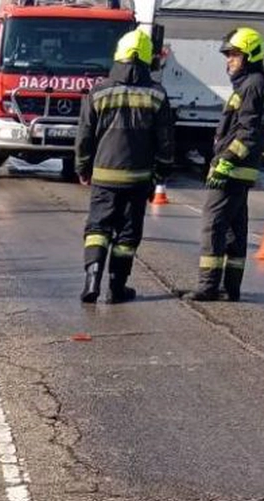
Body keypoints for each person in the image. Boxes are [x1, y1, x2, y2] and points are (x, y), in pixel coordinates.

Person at [74, 29, 173, 304]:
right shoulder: (157, 95)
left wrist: (82, 167)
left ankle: (91, 281)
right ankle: (117, 288)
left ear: (118, 55)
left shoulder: (98, 92)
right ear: (146, 59)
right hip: (138, 180)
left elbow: (84, 135)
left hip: (103, 176)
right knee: (127, 235)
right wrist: (161, 173)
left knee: (97, 229)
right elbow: (165, 142)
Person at [186, 27, 264, 302]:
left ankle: (208, 286)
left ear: (250, 56)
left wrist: (224, 163)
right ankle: (230, 287)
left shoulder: (252, 86)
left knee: (213, 225)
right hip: (240, 171)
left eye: (234, 55)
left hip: (232, 170)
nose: (229, 61)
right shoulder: (251, 84)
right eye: (229, 55)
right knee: (234, 228)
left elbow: (247, 133)